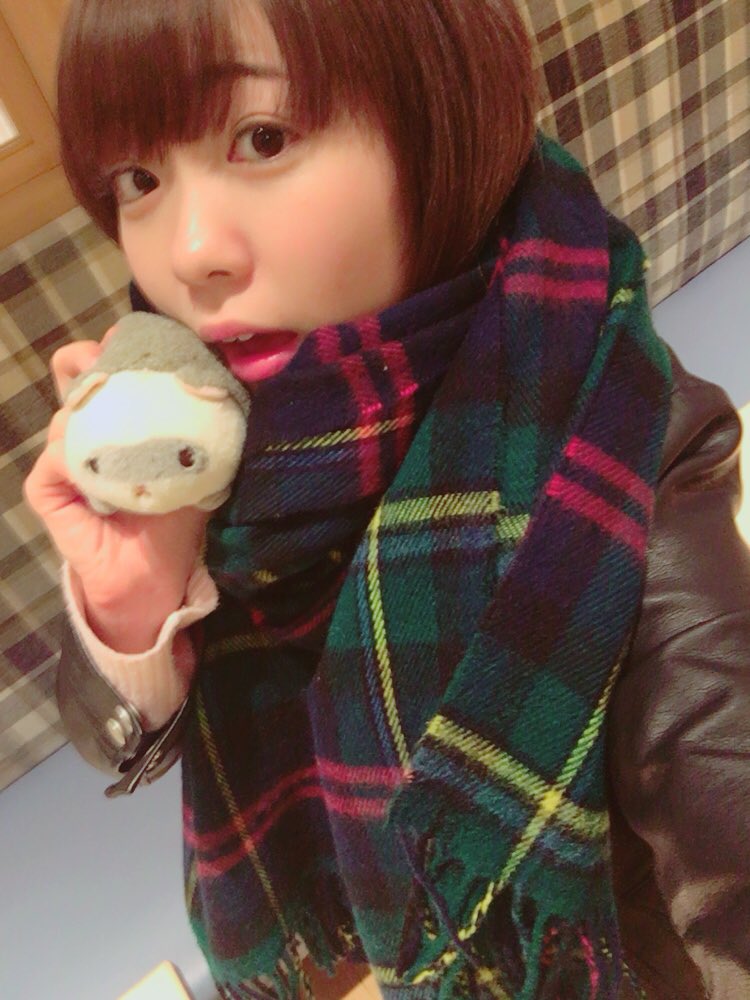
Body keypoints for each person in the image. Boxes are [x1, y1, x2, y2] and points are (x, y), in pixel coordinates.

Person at [23, 0, 750, 997]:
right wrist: (134, 592)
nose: (189, 251)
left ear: (435, 120)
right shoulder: (201, 438)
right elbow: (118, 736)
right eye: (139, 181)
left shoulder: (627, 447)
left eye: (262, 138)